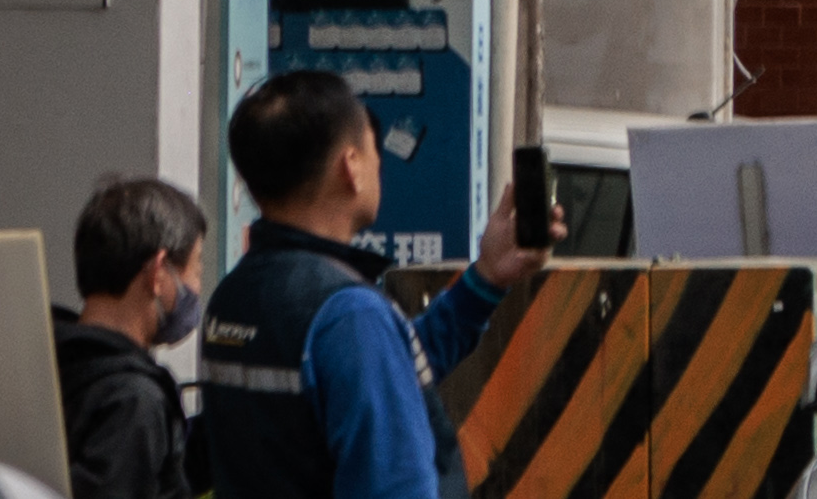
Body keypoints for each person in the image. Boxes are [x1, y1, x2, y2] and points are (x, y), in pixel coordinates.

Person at [195, 75, 542, 499]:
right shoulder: (349, 315)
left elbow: (377, 371)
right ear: (350, 166)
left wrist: (485, 279)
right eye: (374, 149)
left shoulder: (234, 296)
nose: (380, 164)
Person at [62, 179, 200, 499]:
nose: (197, 287)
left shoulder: (48, 360)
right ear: (159, 272)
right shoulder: (134, 399)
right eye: (197, 266)